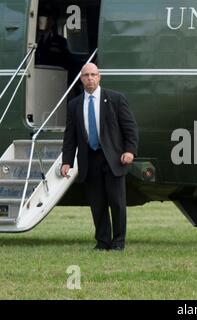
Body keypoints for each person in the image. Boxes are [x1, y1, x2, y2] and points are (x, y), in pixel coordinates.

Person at [61, 63, 139, 251]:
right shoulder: (74, 105)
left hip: (113, 158)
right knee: (97, 204)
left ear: (99, 76)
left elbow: (130, 128)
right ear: (81, 79)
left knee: (117, 203)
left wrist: (130, 150)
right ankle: (102, 241)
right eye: (86, 75)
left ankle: (118, 242)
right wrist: (67, 161)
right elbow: (70, 136)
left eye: (93, 75)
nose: (90, 78)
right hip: (89, 159)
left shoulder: (115, 99)